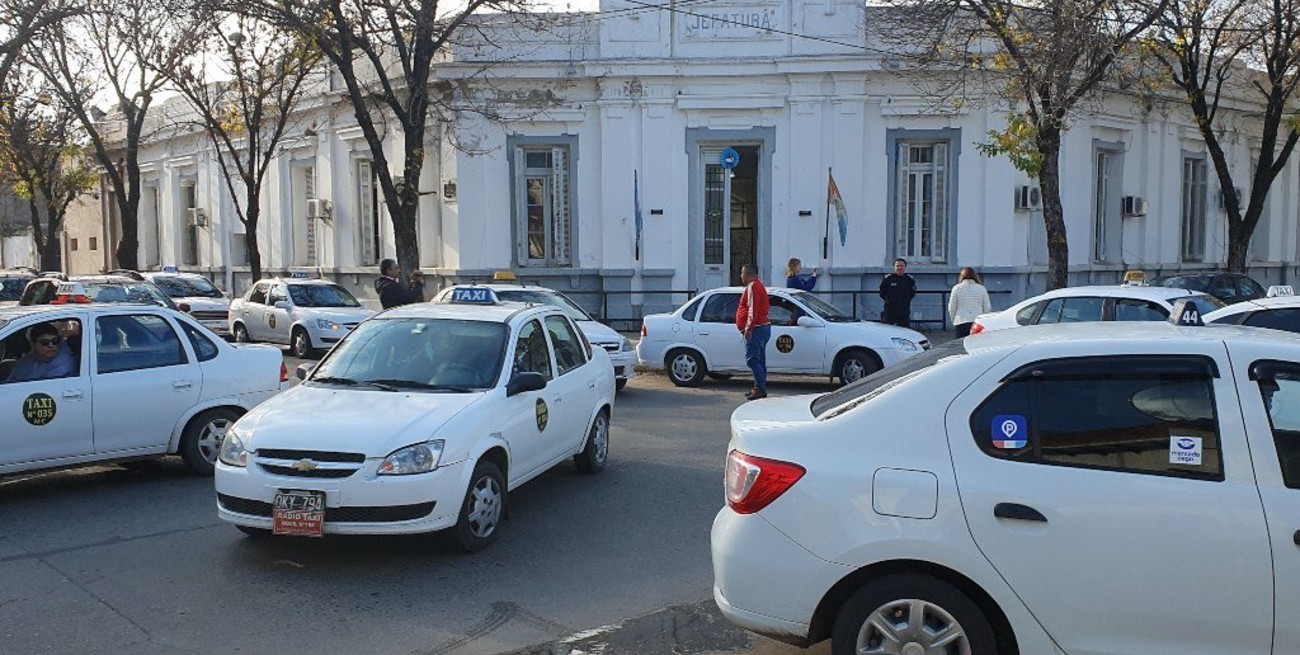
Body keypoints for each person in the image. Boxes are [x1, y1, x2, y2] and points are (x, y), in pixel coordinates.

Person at [735, 264, 770, 401]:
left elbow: (752, 309)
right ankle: (758, 387)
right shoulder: (758, 285)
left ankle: (760, 388)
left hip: (757, 329)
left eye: (743, 274)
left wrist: (748, 328)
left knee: (752, 360)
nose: (741, 277)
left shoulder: (753, 287)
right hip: (762, 327)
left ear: (748, 275)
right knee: (759, 360)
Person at [7, 322, 77, 382]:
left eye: (55, 341)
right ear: (33, 345)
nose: (51, 345)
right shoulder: (26, 361)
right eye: (45, 342)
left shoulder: (64, 366)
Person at [948, 267, 992, 338]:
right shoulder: (981, 288)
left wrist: (954, 320)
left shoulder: (956, 288)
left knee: (961, 346)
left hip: (961, 322)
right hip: (977, 322)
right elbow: (987, 307)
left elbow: (951, 308)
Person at [879, 258, 917, 328]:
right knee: (886, 329)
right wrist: (889, 300)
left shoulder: (909, 279)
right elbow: (882, 293)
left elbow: (912, 293)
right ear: (894, 267)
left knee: (904, 331)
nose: (899, 268)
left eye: (901, 266)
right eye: (897, 266)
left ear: (905, 267)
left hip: (903, 309)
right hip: (890, 309)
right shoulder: (888, 279)